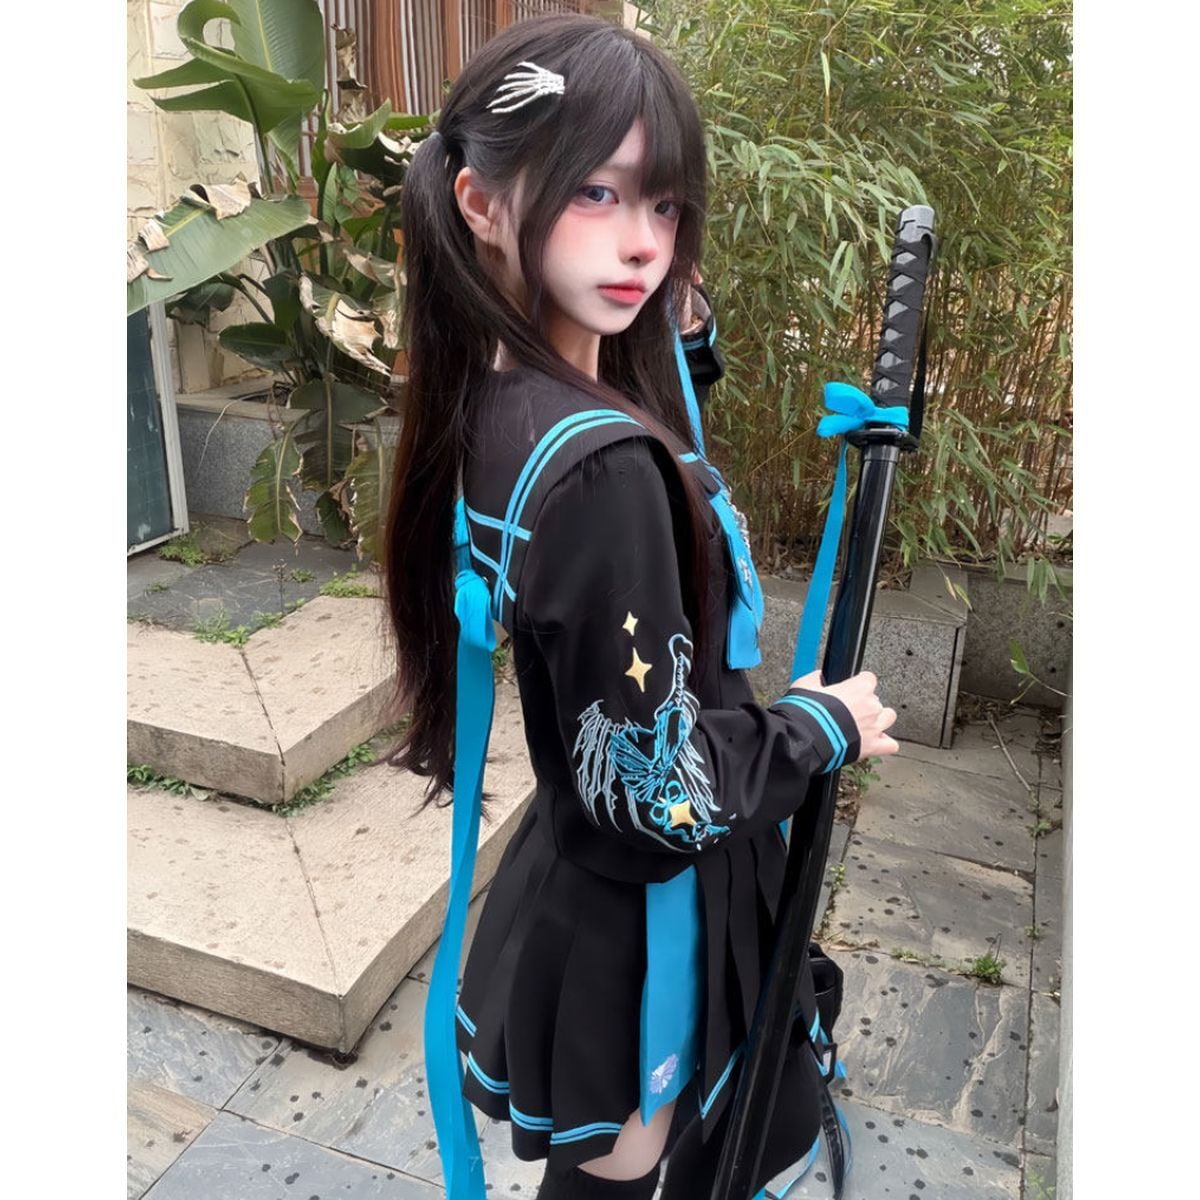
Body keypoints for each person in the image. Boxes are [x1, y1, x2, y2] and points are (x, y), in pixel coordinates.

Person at [380, 13, 900, 1199]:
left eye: (663, 206)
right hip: (648, 915)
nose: (643, 246)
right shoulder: (602, 471)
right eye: (598, 194)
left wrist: (686, 351)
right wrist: (819, 727)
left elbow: (629, 405)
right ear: (480, 202)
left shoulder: (491, 396)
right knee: (630, 1169)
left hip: (583, 871)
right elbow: (660, 795)